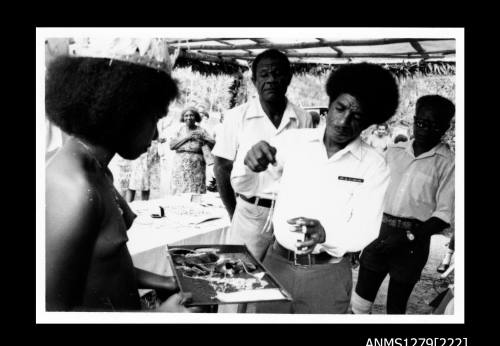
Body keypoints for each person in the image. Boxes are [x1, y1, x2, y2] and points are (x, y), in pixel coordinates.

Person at [233, 62, 399, 313]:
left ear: (368, 123)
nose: (344, 121)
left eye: (357, 116)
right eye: (340, 108)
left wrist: (325, 235)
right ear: (330, 104)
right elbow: (248, 186)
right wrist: (249, 163)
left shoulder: (374, 166)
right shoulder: (292, 142)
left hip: (328, 275)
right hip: (276, 265)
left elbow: (366, 230)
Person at [45, 40, 197, 312]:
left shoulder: (98, 170)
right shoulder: (75, 190)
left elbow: (105, 265)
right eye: (154, 119)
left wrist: (165, 281)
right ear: (122, 111)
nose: (157, 135)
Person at [352, 95, 455, 314]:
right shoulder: (394, 152)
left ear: (446, 127)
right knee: (359, 304)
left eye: (434, 125)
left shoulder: (449, 164)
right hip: (378, 233)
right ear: (414, 119)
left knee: (396, 308)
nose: (426, 129)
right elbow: (371, 196)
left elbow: (444, 214)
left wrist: (407, 237)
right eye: (421, 123)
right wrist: (356, 239)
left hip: (413, 242)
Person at [212, 48, 312, 261]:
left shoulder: (303, 119)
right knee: (240, 274)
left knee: (283, 278)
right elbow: (221, 167)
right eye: (264, 75)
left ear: (288, 78)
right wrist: (234, 212)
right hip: (250, 213)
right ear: (254, 80)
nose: (271, 80)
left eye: (277, 74)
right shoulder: (236, 117)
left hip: (289, 215)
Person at [169, 107, 215, 195]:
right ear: (183, 117)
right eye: (186, 116)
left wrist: (203, 138)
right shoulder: (179, 130)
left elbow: (213, 143)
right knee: (179, 190)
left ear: (196, 117)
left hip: (197, 167)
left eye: (191, 115)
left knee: (196, 191)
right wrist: (187, 137)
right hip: (180, 166)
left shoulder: (202, 131)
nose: (189, 118)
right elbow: (171, 146)